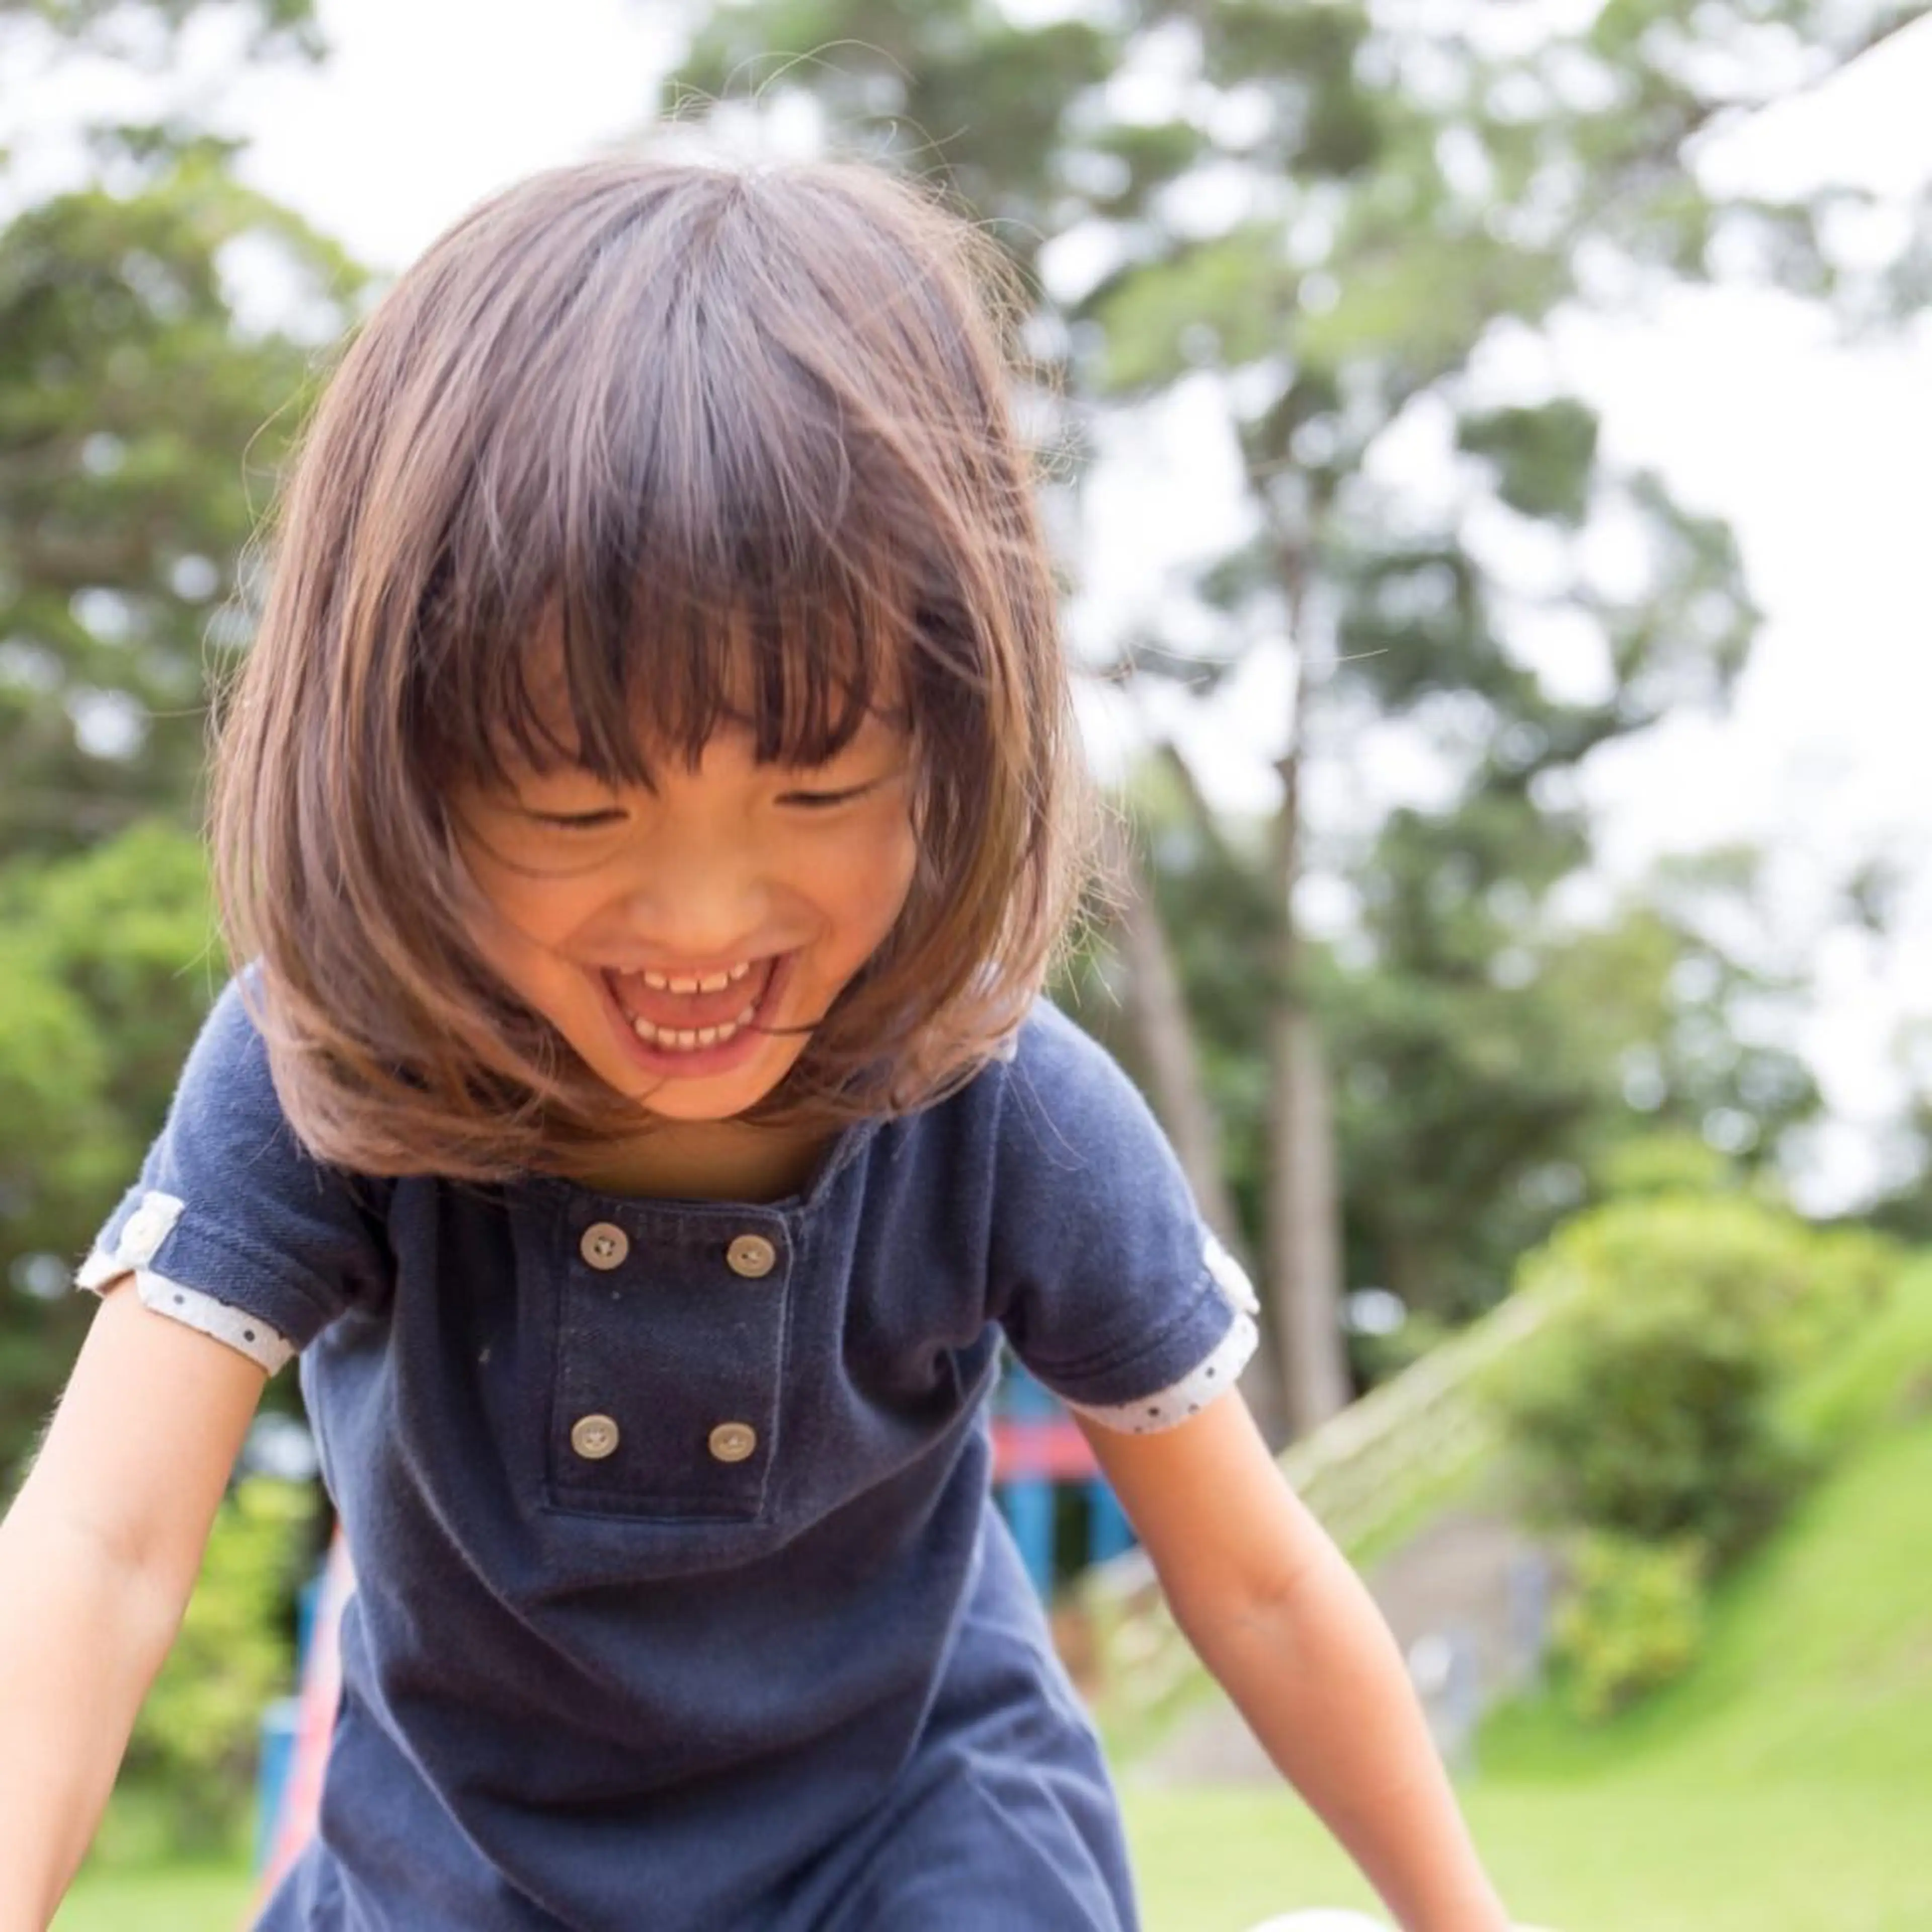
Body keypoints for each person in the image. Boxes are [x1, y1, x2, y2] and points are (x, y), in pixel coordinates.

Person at [0, 148, 1512, 1932]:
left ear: (958, 742)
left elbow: (1250, 1580)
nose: (706, 923)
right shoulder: (328, 1072)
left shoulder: (1007, 1112)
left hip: (918, 1856)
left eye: (817, 785)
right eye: (576, 813)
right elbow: (100, 1552)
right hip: (465, 1877)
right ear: (401, 769)